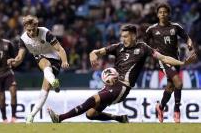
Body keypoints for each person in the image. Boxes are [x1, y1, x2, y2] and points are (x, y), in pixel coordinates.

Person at [47, 24, 195, 123]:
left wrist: (182, 63)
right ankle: (119, 118)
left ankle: (60, 118)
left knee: (93, 99)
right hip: (111, 85)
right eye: (122, 36)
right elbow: (98, 51)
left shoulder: (143, 48)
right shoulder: (118, 47)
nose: (122, 39)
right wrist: (93, 53)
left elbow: (163, 57)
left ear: (133, 36)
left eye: (125, 36)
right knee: (90, 114)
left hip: (122, 86)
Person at [7, 15, 69, 123]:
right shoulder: (23, 39)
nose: (31, 33)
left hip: (55, 59)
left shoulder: (45, 33)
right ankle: (31, 117)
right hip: (40, 57)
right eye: (28, 30)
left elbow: (60, 48)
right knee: (44, 64)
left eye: (33, 30)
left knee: (45, 88)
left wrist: (64, 61)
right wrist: (14, 61)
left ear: (37, 26)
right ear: (25, 27)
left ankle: (52, 82)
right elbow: (20, 57)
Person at [145, 3, 194, 123]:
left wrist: (189, 44)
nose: (162, 14)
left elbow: (187, 37)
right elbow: (144, 45)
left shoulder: (175, 27)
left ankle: (160, 107)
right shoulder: (151, 29)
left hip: (175, 59)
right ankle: (177, 111)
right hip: (163, 60)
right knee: (179, 82)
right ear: (157, 15)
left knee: (171, 86)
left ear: (169, 14)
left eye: (165, 12)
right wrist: (152, 52)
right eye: (160, 12)